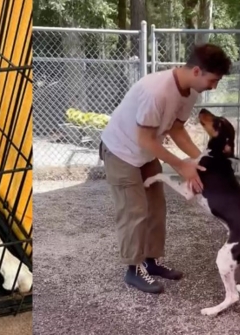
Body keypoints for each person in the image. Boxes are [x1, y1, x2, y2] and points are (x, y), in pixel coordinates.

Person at [99, 43, 232, 294]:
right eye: (213, 80)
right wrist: (181, 165)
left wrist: (202, 160)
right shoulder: (157, 91)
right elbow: (145, 138)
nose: (213, 87)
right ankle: (133, 270)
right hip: (120, 151)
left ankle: (151, 262)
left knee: (157, 208)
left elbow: (176, 129)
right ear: (196, 71)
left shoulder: (190, 92)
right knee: (134, 211)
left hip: (145, 152)